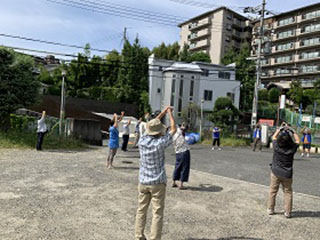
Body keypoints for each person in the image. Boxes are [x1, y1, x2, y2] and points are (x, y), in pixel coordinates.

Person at [135, 106, 176, 240]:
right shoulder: (160, 143)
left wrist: (163, 112)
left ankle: (139, 236)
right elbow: (174, 129)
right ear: (159, 131)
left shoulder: (142, 140)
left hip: (143, 182)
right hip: (157, 182)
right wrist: (169, 113)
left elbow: (150, 127)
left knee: (141, 210)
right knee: (157, 213)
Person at [267, 126, 300, 218]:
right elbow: (297, 141)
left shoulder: (276, 146)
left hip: (275, 172)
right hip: (287, 173)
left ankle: (270, 209)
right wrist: (292, 130)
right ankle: (288, 212)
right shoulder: (292, 148)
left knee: (273, 191)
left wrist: (280, 129)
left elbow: (273, 137)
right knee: (288, 192)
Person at [172, 123, 190, 190]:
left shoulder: (174, 134)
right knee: (184, 167)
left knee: (177, 166)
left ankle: (174, 182)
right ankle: (181, 185)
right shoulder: (182, 134)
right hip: (184, 151)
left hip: (177, 152)